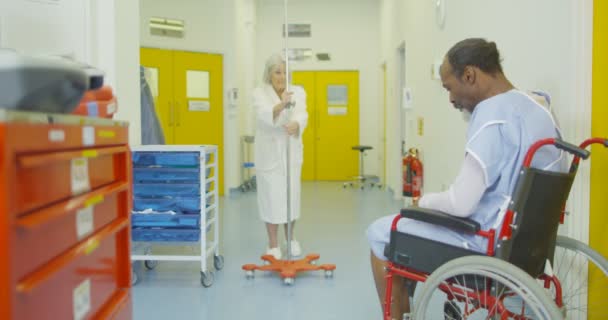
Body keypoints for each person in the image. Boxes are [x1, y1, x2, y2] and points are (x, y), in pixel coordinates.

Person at [366, 38, 564, 318]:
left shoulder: (491, 115)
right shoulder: (539, 108)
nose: (451, 99)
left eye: (449, 88)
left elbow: (461, 205)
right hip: (528, 243)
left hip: (486, 243)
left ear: (470, 75)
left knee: (382, 232)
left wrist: (423, 200)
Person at [252, 53, 308, 260]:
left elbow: (303, 114)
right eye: (277, 72)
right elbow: (264, 116)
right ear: (269, 74)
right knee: (271, 199)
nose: (282, 77)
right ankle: (273, 244)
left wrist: (298, 124)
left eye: (285, 72)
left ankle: (291, 239)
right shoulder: (259, 93)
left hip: (291, 151)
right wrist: (282, 105)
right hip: (269, 154)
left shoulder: (298, 91)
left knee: (291, 197)